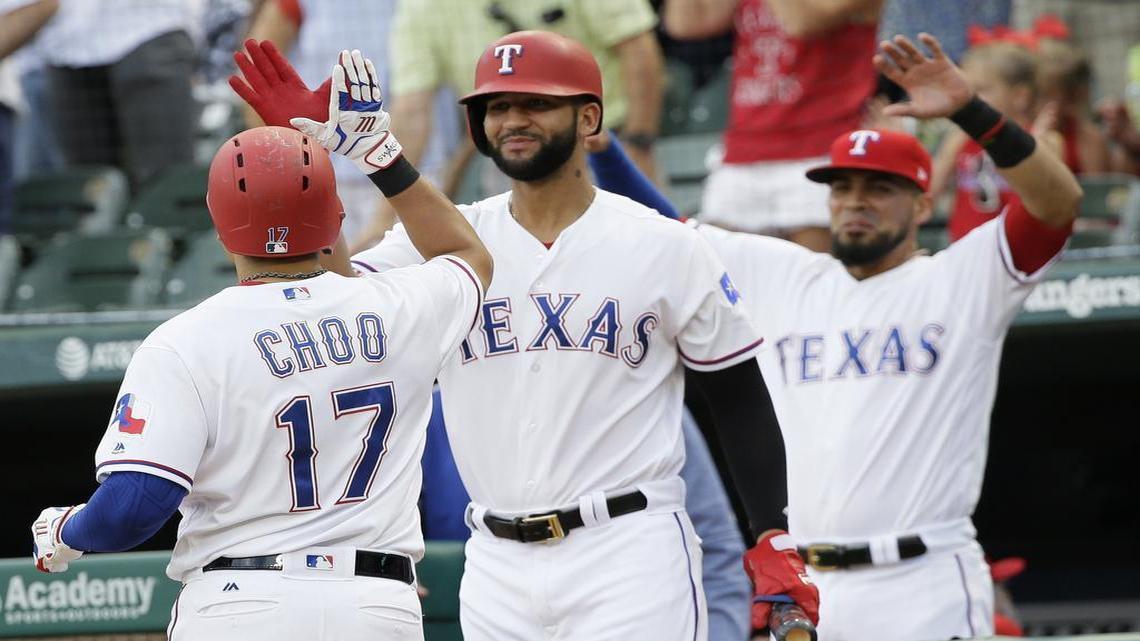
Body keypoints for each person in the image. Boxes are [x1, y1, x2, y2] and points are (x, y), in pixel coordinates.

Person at [238, 30, 818, 641]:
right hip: (494, 559)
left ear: (589, 117)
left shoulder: (664, 244)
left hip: (628, 550)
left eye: (536, 103)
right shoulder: (443, 238)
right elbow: (336, 296)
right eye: (497, 106)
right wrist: (312, 165)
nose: (513, 119)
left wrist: (770, 534)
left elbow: (737, 397)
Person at [583, 33, 1083, 641]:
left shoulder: (963, 277)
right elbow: (668, 228)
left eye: (879, 188)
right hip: (809, 588)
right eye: (842, 187)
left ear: (922, 205)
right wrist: (606, 150)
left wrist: (969, 112)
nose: (855, 202)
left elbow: (1058, 205)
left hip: (923, 581)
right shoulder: (785, 274)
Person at [31, 50, 493, 641]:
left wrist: (68, 532)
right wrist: (376, 152)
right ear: (337, 218)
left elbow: (134, 505)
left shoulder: (185, 341)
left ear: (218, 223)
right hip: (375, 606)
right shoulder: (396, 306)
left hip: (240, 604)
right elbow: (469, 255)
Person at [420, 390, 753, 641]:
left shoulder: (639, 396)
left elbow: (719, 553)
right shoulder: (433, 412)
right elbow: (392, 538)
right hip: (481, 618)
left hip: (636, 608)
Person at [663, 0, 883, 251]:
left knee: (815, 279)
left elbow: (803, 22)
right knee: (719, 272)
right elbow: (686, 25)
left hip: (819, 146)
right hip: (746, 145)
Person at [244, 0, 462, 245]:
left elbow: (420, 103)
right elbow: (257, 70)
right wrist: (286, 166)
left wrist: (385, 216)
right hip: (329, 180)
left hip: (416, 170)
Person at [929, 39, 1039, 241]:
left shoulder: (1038, 137)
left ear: (1020, 96)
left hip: (1016, 250)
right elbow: (929, 196)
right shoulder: (962, 138)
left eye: (981, 90)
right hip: (965, 249)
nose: (969, 99)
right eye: (966, 90)